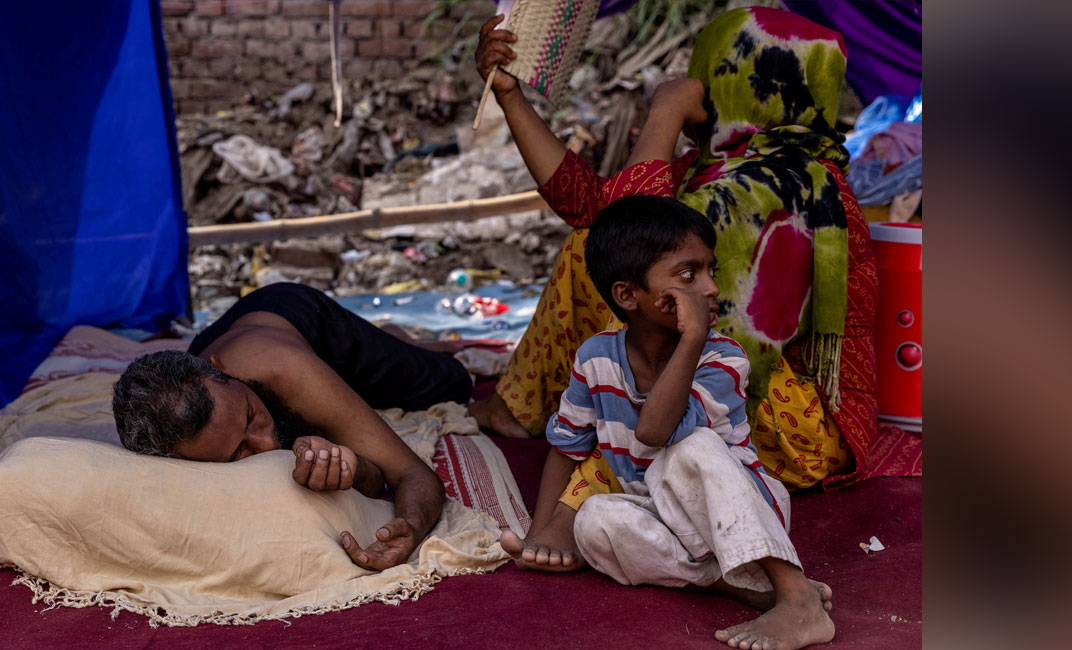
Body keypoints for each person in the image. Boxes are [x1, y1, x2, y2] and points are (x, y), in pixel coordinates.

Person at [469, 6, 885, 494]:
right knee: (593, 242)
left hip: (800, 429)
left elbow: (630, 233)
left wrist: (665, 113)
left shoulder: (785, 186)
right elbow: (590, 208)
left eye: (707, 74)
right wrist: (511, 98)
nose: (698, 88)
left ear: (739, 83)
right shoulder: (717, 167)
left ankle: (618, 438)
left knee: (609, 259)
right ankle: (523, 409)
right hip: (745, 388)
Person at [513, 195, 836, 650]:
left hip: (737, 511)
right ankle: (733, 584)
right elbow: (567, 446)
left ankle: (794, 593)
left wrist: (694, 338)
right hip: (656, 512)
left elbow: (654, 432)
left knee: (691, 448)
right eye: (688, 274)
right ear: (628, 295)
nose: (709, 289)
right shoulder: (595, 358)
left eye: (710, 270)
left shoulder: (723, 357)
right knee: (595, 521)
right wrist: (540, 533)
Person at [112, 282, 473, 571]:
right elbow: (368, 474)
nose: (267, 443)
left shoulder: (285, 370)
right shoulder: (184, 428)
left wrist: (410, 527)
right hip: (228, 333)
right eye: (239, 451)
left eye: (252, 415)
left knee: (454, 383)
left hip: (302, 316)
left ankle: (397, 339)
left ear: (220, 369)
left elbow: (411, 473)